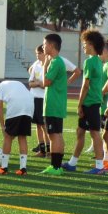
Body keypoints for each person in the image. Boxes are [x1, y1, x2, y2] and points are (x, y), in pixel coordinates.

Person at [62, 30, 106, 174]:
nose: (83, 46)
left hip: (90, 103)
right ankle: (72, 163)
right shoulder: (99, 61)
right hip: (94, 102)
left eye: (85, 43)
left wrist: (79, 104)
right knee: (80, 132)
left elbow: (85, 85)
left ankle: (99, 167)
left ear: (91, 44)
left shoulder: (89, 62)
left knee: (94, 133)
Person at [40, 33, 67, 175]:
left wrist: (45, 64)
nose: (43, 47)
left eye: (44, 44)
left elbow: (46, 83)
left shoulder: (55, 62)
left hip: (54, 104)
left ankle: (55, 167)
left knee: (54, 135)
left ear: (51, 45)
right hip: (57, 104)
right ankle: (57, 166)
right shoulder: (58, 61)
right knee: (57, 134)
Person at [0, 80, 34, 175]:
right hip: (29, 106)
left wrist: (2, 126)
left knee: (8, 137)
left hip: (16, 106)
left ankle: (4, 168)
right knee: (22, 136)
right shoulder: (17, 83)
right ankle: (23, 169)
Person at [28, 45, 48, 157]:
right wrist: (38, 83)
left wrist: (40, 83)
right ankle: (42, 149)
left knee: (44, 125)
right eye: (36, 53)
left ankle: (49, 149)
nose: (37, 55)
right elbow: (30, 83)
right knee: (38, 125)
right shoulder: (36, 64)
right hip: (33, 98)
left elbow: (47, 85)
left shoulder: (49, 65)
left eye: (39, 53)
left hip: (43, 99)